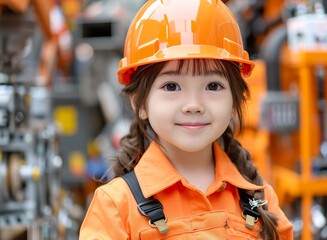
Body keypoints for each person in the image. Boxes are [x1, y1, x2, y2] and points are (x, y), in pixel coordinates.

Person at [79, 0, 293, 239]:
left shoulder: (260, 199)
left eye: (213, 85)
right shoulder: (116, 207)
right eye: (172, 86)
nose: (194, 105)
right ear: (139, 103)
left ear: (236, 100)